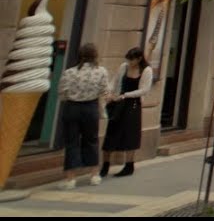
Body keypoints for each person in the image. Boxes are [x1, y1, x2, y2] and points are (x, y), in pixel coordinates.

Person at [57, 42, 112, 189]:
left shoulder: (69, 72)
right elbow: (105, 91)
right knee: (91, 140)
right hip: (90, 107)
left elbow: (61, 93)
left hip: (72, 108)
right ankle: (94, 175)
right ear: (95, 55)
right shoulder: (101, 71)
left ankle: (70, 179)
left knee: (71, 142)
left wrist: (73, 97)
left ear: (79, 55)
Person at [101, 47, 154, 178]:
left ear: (139, 59)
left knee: (130, 134)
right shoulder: (124, 67)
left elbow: (144, 90)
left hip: (133, 104)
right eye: (128, 59)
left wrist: (126, 95)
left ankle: (129, 165)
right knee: (111, 132)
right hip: (118, 103)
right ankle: (105, 164)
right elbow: (114, 81)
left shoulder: (146, 70)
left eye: (132, 60)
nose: (130, 62)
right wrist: (108, 92)